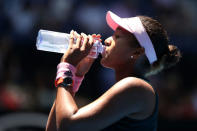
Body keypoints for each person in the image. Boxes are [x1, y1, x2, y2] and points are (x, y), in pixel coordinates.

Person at [46, 11, 181, 131]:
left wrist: (68, 66)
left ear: (137, 52)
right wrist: (75, 75)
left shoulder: (136, 87)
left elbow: (68, 124)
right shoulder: (131, 88)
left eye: (117, 37)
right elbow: (56, 128)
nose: (108, 40)